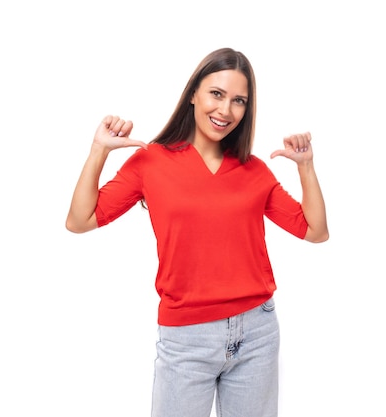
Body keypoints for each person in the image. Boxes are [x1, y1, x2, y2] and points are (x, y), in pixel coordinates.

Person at [66, 47, 329, 417]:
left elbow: (315, 231)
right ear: (193, 93)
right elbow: (80, 220)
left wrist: (306, 167)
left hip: (257, 331)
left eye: (238, 101)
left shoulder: (254, 170)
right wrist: (98, 150)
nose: (225, 110)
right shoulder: (150, 162)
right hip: (186, 336)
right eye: (216, 94)